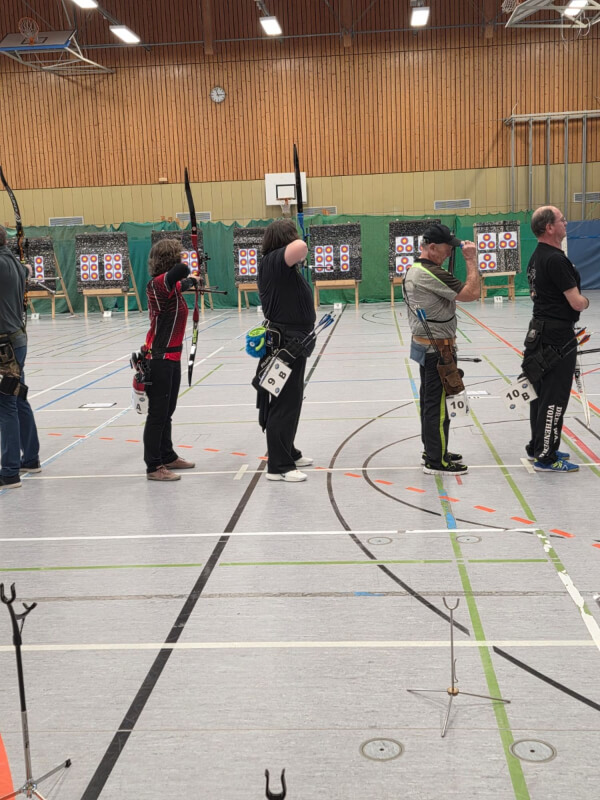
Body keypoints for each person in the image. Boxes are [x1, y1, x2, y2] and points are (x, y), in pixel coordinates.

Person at [404, 223, 479, 475]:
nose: (449, 253)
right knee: (437, 407)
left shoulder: (416, 268)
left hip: (427, 347)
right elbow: (472, 293)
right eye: (447, 248)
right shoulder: (429, 272)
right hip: (437, 351)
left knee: (431, 403)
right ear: (433, 247)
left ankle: (434, 450)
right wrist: (471, 260)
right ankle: (436, 461)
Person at [522, 206, 588, 473]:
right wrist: (585, 301)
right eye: (562, 220)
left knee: (539, 394)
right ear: (549, 227)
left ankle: (539, 446)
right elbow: (576, 302)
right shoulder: (556, 260)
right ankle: (546, 456)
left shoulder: (536, 257)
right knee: (554, 397)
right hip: (557, 335)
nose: (566, 223)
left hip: (538, 332)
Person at [257, 219, 316, 482]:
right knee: (283, 403)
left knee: (292, 400)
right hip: (285, 345)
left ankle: (287, 451)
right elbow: (301, 246)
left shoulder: (281, 266)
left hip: (294, 343)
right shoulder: (273, 262)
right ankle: (278, 466)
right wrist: (297, 245)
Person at [142, 238, 199, 482]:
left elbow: (181, 281)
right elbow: (182, 271)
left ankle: (167, 455)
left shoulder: (170, 286)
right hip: (159, 358)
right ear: (171, 258)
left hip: (172, 357)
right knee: (158, 414)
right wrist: (190, 276)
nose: (182, 259)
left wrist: (192, 282)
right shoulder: (158, 284)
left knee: (167, 411)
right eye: (178, 255)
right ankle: (154, 466)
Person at [0, 226, 41, 489]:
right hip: (17, 342)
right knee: (18, 397)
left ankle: (9, 472)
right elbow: (27, 270)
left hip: (5, 349)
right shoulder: (13, 262)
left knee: (6, 404)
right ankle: (31, 459)